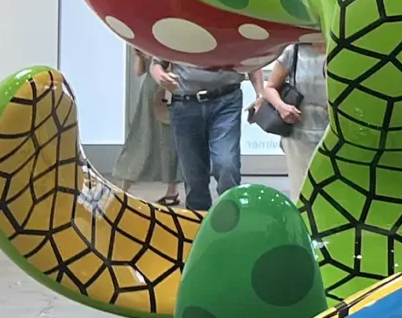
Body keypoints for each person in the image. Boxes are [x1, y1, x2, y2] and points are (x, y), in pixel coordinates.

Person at [151, 57, 247, 211]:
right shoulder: (175, 38)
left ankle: (231, 216)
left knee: (226, 165)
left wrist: (260, 92)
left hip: (226, 99)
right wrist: (160, 76)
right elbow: (156, 63)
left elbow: (252, 56)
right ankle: (198, 220)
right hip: (185, 103)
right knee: (193, 176)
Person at [258, 42, 329, 195]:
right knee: (301, 190)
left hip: (333, 133)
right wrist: (282, 107)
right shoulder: (294, 51)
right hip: (300, 134)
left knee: (331, 188)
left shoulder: (340, 49)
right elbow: (269, 88)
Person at [114, 49, 183, 207]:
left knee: (169, 142)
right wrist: (140, 55)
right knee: (141, 137)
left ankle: (171, 190)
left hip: (168, 91)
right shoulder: (143, 41)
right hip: (151, 94)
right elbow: (139, 71)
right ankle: (125, 185)